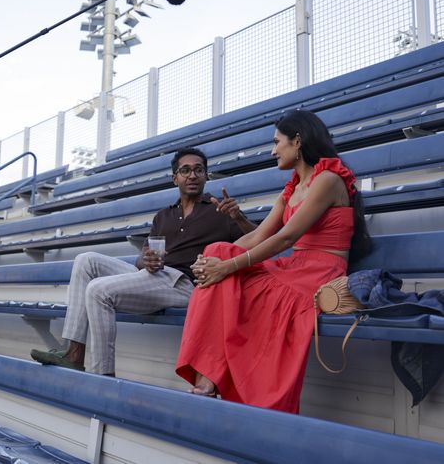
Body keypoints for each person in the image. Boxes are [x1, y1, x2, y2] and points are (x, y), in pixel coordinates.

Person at [175, 109, 372, 414]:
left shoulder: (329, 180)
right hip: (294, 266)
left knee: (234, 276)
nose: (273, 150)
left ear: (297, 141)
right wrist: (209, 260)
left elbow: (285, 239)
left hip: (319, 273)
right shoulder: (292, 187)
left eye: (277, 142)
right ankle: (207, 378)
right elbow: (257, 237)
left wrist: (226, 267)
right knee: (217, 249)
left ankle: (217, 383)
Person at [30, 148, 256, 375]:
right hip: (154, 276)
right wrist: (144, 260)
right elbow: (144, 256)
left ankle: (103, 375)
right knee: (85, 260)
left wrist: (239, 218)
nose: (192, 175)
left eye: (199, 170)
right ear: (174, 177)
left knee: (98, 290)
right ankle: (74, 353)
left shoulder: (220, 211)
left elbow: (260, 240)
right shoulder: (163, 215)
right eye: (185, 170)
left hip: (184, 284)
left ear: (206, 176)